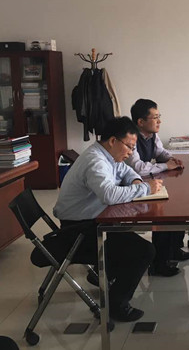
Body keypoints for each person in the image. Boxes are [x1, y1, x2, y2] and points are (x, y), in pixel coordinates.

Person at [53, 117, 163, 322]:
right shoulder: (95, 161)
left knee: (130, 237)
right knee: (144, 251)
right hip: (78, 232)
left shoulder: (107, 155)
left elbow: (125, 170)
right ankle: (116, 306)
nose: (130, 152)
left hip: (92, 221)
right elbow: (109, 195)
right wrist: (145, 188)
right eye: (129, 146)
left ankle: (105, 273)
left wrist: (136, 180)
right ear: (113, 141)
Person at [127, 98, 189, 277]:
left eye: (159, 116)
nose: (159, 121)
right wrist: (165, 166)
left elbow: (160, 152)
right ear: (140, 122)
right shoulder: (131, 138)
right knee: (162, 212)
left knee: (177, 203)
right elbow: (138, 168)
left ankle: (174, 249)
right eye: (155, 117)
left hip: (146, 183)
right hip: (132, 188)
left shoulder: (152, 135)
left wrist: (171, 158)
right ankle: (159, 262)